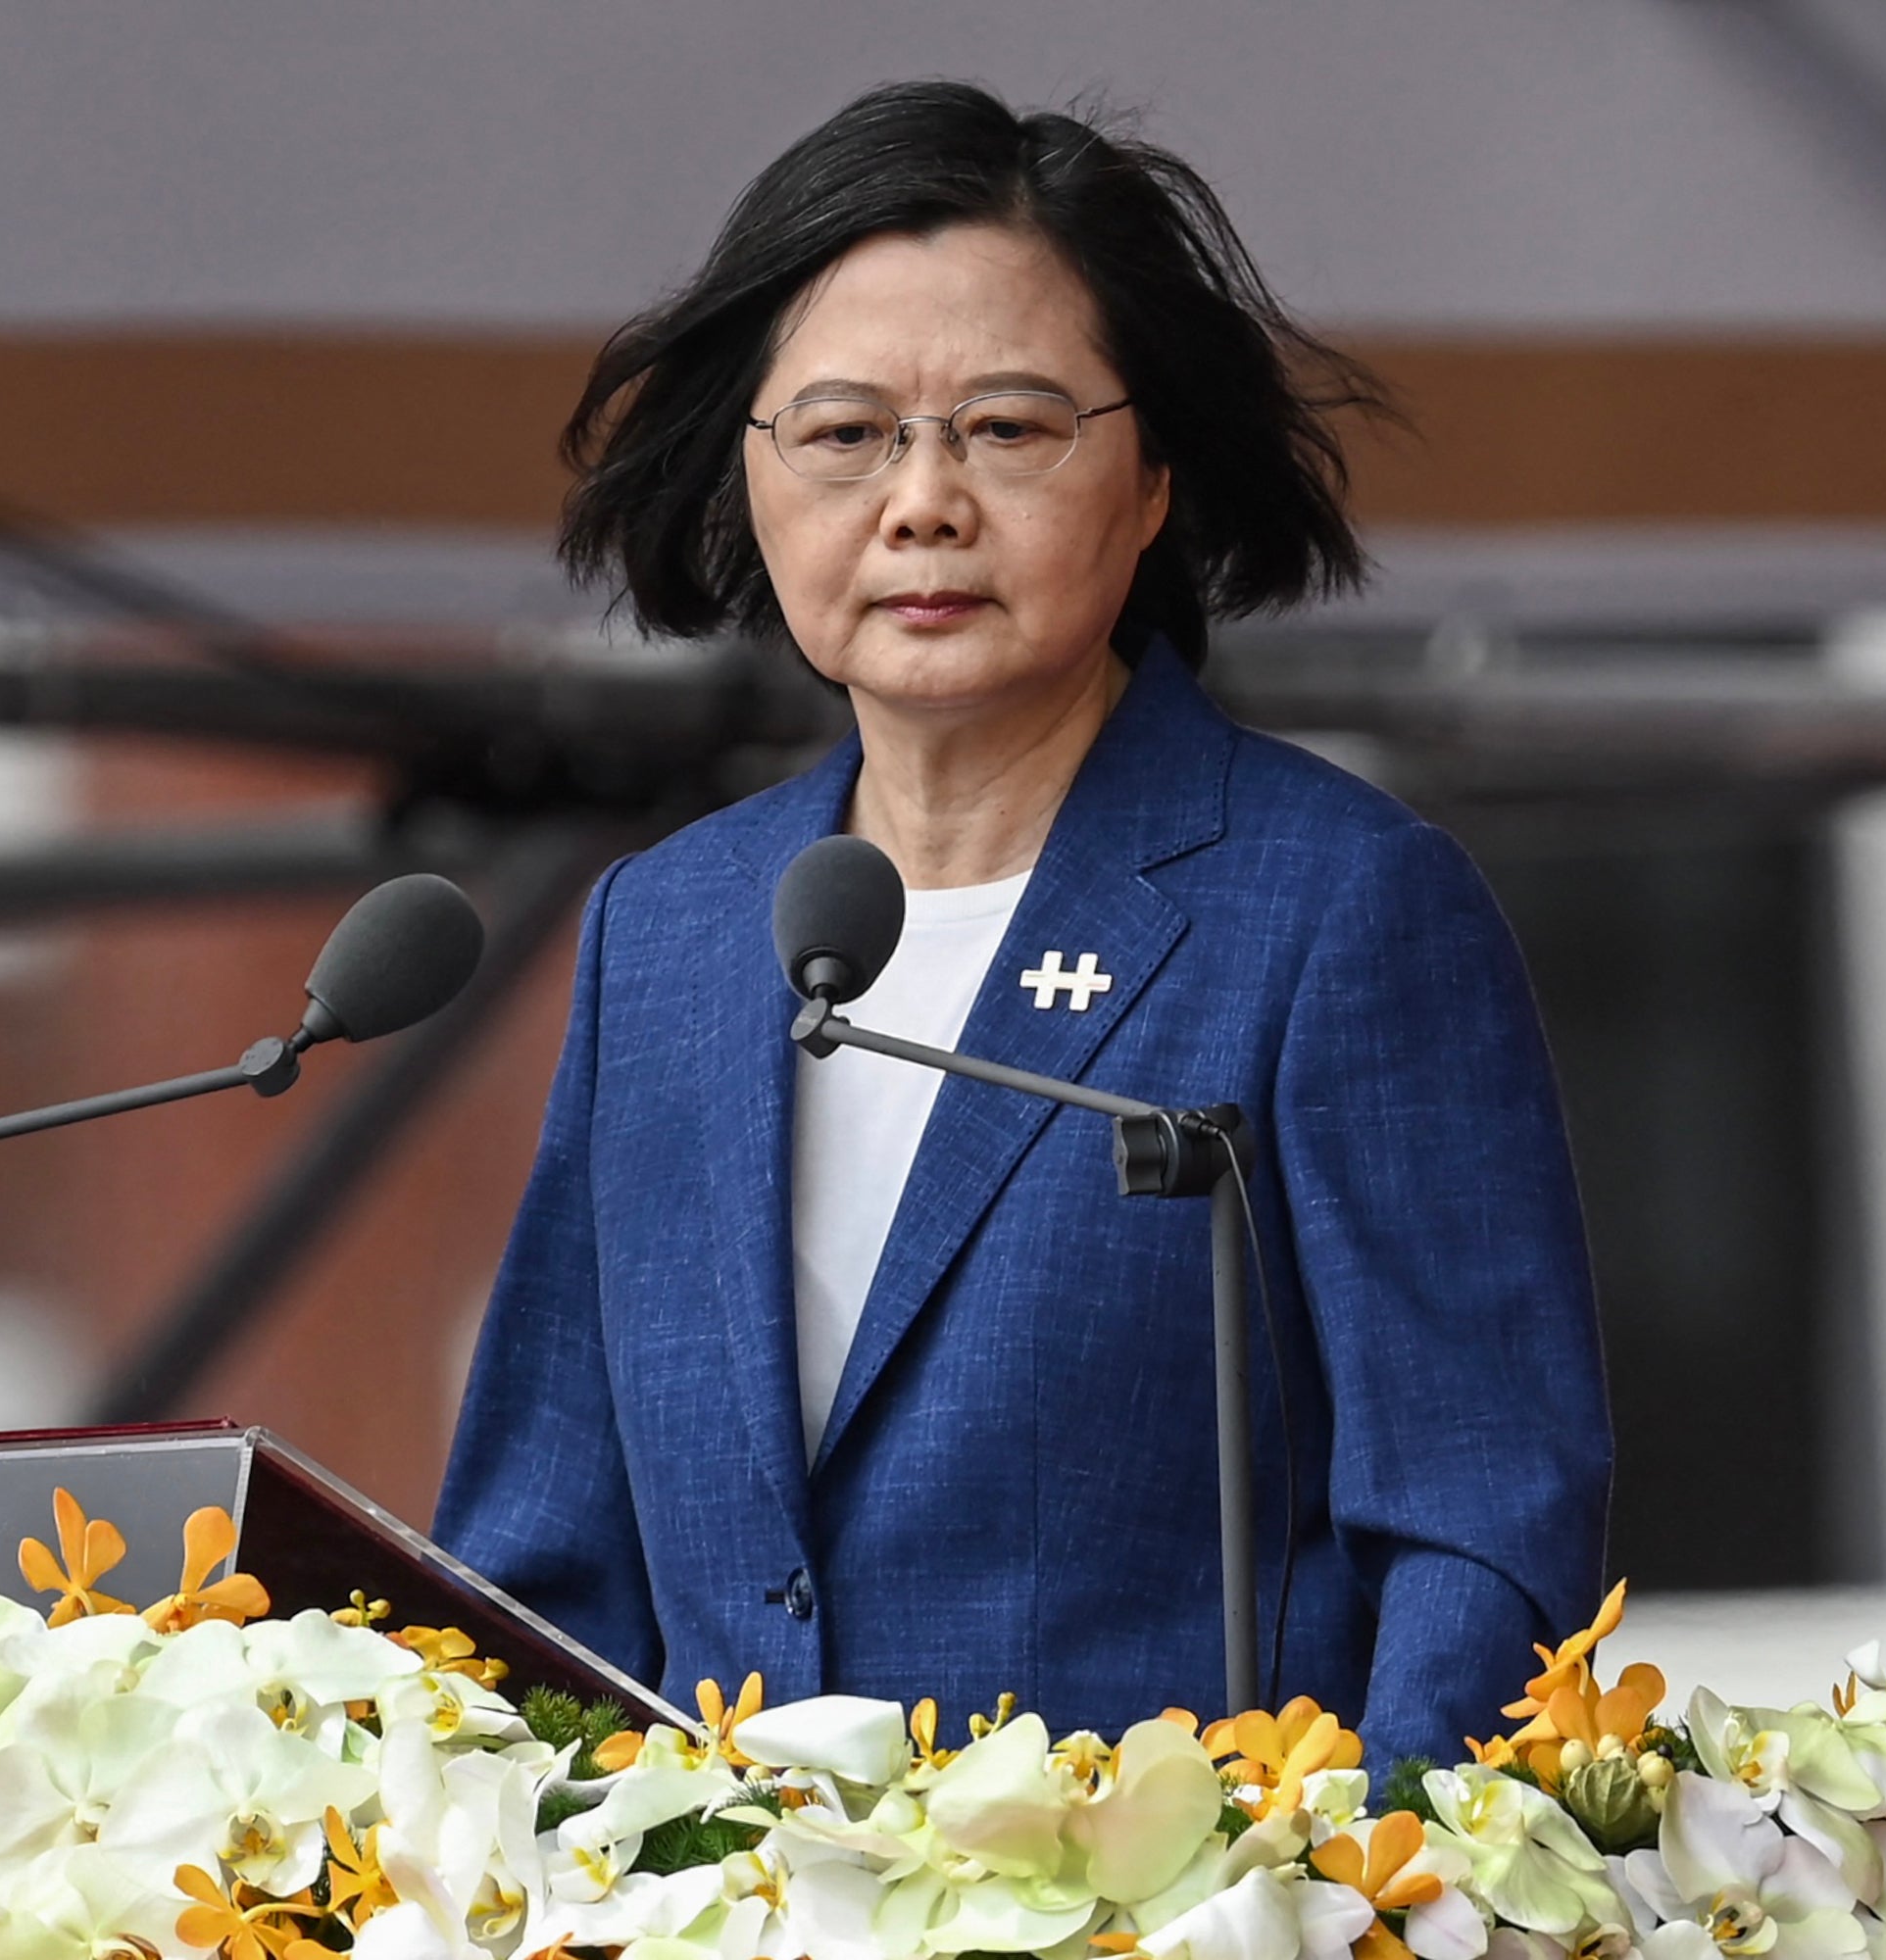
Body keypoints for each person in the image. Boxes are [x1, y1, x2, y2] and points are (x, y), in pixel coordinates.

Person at [435, 80, 1609, 1768]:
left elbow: (1480, 1524)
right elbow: (539, 1564)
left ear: (1150, 484)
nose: (921, 502)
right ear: (746, 485)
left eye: (1007, 426)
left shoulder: (1336, 906)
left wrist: (1365, 1897)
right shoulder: (672, 933)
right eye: (844, 435)